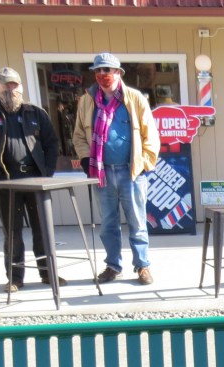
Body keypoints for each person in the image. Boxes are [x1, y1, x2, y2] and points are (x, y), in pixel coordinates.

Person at [0, 67, 61, 293]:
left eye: (14, 85)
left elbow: (51, 144)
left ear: (21, 86)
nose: (10, 89)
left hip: (36, 179)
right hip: (7, 181)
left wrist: (46, 173)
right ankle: (15, 278)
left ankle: (48, 274)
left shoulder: (36, 113)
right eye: (5, 85)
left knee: (42, 230)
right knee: (12, 232)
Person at [71, 52, 160, 286]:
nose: (102, 74)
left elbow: (150, 134)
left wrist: (145, 165)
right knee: (108, 224)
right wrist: (84, 158)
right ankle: (113, 265)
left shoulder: (134, 98)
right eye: (98, 70)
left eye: (107, 70)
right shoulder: (87, 100)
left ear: (118, 73)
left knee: (137, 221)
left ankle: (142, 266)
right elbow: (79, 134)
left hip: (131, 171)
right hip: (102, 173)